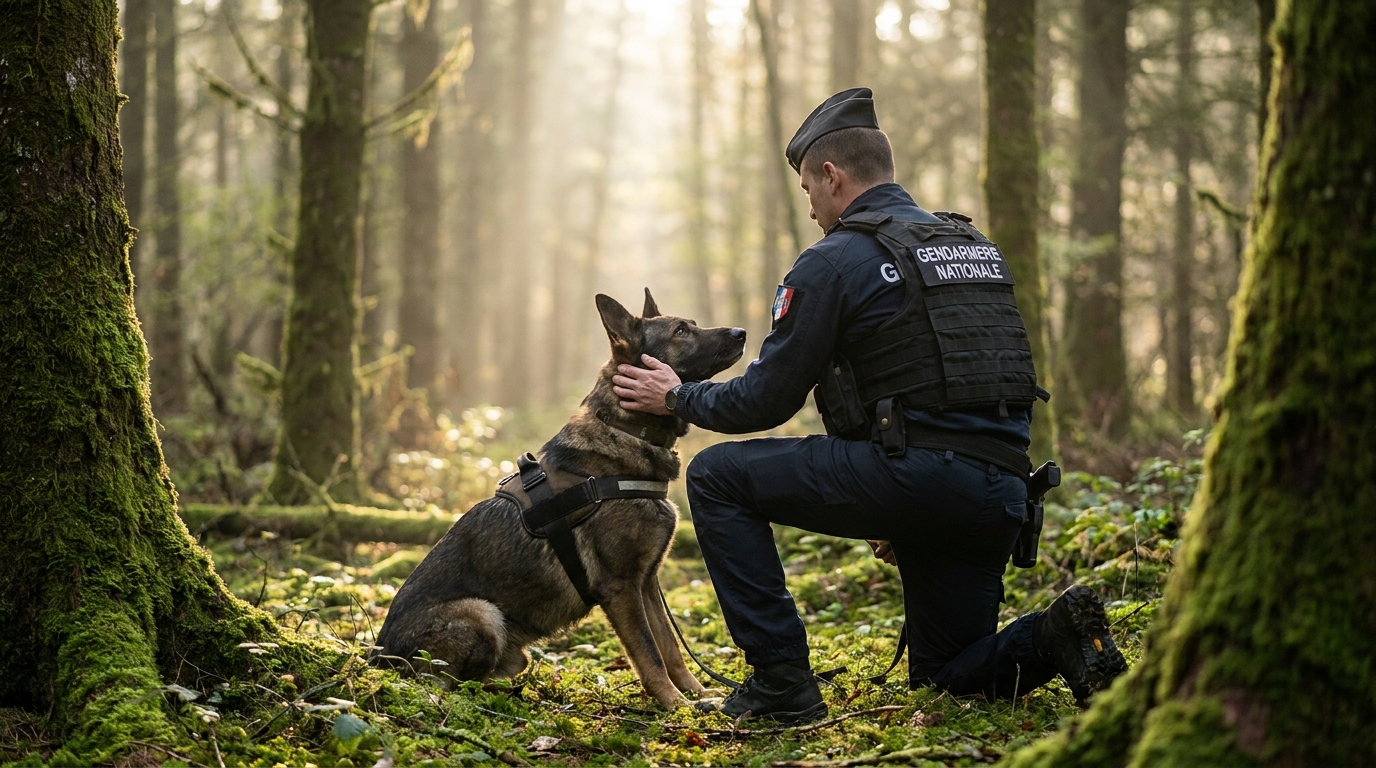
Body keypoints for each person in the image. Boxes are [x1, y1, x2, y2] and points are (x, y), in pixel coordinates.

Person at [612, 88, 1126, 724]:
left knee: (717, 476)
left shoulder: (833, 260)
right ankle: (1056, 634)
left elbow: (765, 399)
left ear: (832, 176)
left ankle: (781, 683)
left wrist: (676, 394)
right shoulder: (972, 246)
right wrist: (900, 492)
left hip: (920, 478)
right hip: (1000, 492)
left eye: (807, 191)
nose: (810, 211)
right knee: (947, 676)